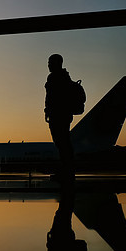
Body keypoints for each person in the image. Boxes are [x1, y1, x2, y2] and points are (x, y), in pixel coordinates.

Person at [45, 54, 75, 182]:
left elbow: (53, 98)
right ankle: (67, 170)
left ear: (57, 63)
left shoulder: (56, 78)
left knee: (62, 143)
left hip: (58, 115)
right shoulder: (64, 77)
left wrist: (50, 111)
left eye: (50, 62)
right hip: (61, 114)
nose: (48, 65)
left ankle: (67, 171)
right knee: (63, 143)